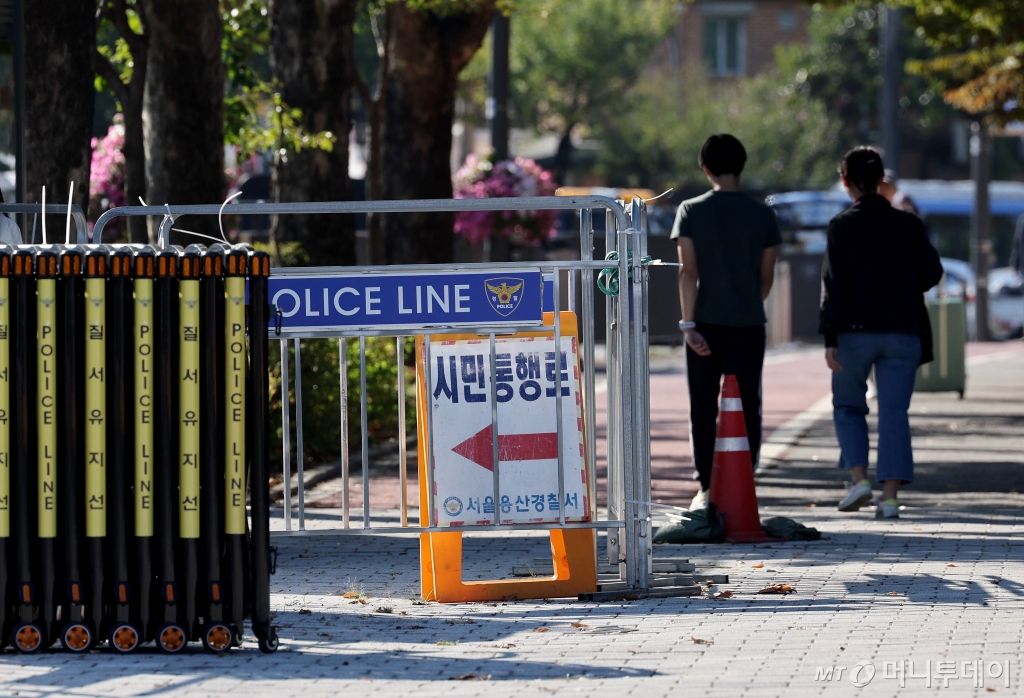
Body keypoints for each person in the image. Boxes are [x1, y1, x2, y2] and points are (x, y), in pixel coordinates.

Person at [820, 146, 943, 519]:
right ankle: (889, 498)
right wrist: (904, 287)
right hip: (903, 332)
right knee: (894, 412)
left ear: (846, 181)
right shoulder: (908, 224)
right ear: (881, 182)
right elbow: (932, 273)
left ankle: (859, 479)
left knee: (848, 406)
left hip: (854, 334)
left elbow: (833, 286)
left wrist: (829, 338)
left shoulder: (841, 226)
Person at [672, 134, 782, 511]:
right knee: (747, 402)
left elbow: (687, 272)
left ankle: (705, 487)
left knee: (704, 406)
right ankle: (743, 477)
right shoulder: (763, 215)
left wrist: (689, 324)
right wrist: (747, 301)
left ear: (705, 168)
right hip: (749, 323)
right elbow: (766, 278)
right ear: (742, 164)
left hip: (704, 323)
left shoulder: (690, 210)